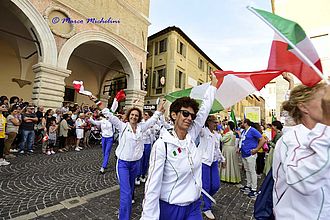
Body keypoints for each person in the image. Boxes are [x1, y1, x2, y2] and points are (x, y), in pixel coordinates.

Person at [141, 73, 218, 220]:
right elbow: (152, 186)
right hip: (171, 208)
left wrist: (213, 86)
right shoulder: (162, 145)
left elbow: (204, 110)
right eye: (185, 114)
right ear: (174, 115)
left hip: (194, 206)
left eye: (191, 116)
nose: (189, 118)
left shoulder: (191, 136)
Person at [89, 94, 165, 220]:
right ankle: (124, 217)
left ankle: (124, 210)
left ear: (138, 117)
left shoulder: (141, 128)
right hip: (123, 164)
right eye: (132, 115)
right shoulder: (122, 126)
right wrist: (96, 100)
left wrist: (159, 109)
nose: (134, 117)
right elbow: (108, 114)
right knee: (126, 193)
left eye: (136, 115)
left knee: (130, 191)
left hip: (136, 164)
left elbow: (153, 120)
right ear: (129, 116)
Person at [273, 83, 330, 219]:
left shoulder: (323, 135)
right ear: (304, 107)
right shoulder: (293, 139)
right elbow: (302, 181)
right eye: (325, 100)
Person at [200, 115, 226, 219]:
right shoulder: (203, 131)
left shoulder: (216, 134)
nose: (216, 124)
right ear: (208, 122)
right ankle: (206, 208)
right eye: (214, 122)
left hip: (214, 162)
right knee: (206, 186)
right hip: (204, 162)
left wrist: (222, 159)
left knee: (215, 185)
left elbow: (217, 149)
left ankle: (205, 198)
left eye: (217, 122)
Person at [239, 119, 266, 198]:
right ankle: (248, 185)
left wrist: (257, 149)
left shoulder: (252, 130)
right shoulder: (244, 131)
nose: (241, 124)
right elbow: (243, 140)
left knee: (252, 171)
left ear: (246, 123)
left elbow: (262, 139)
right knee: (247, 170)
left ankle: (254, 189)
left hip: (251, 153)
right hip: (244, 153)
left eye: (242, 123)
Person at [89, 110, 114, 174]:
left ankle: (103, 166)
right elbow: (94, 122)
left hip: (110, 138)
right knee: (104, 152)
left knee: (107, 152)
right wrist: (91, 116)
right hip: (103, 138)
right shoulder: (102, 121)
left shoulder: (112, 121)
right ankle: (105, 161)